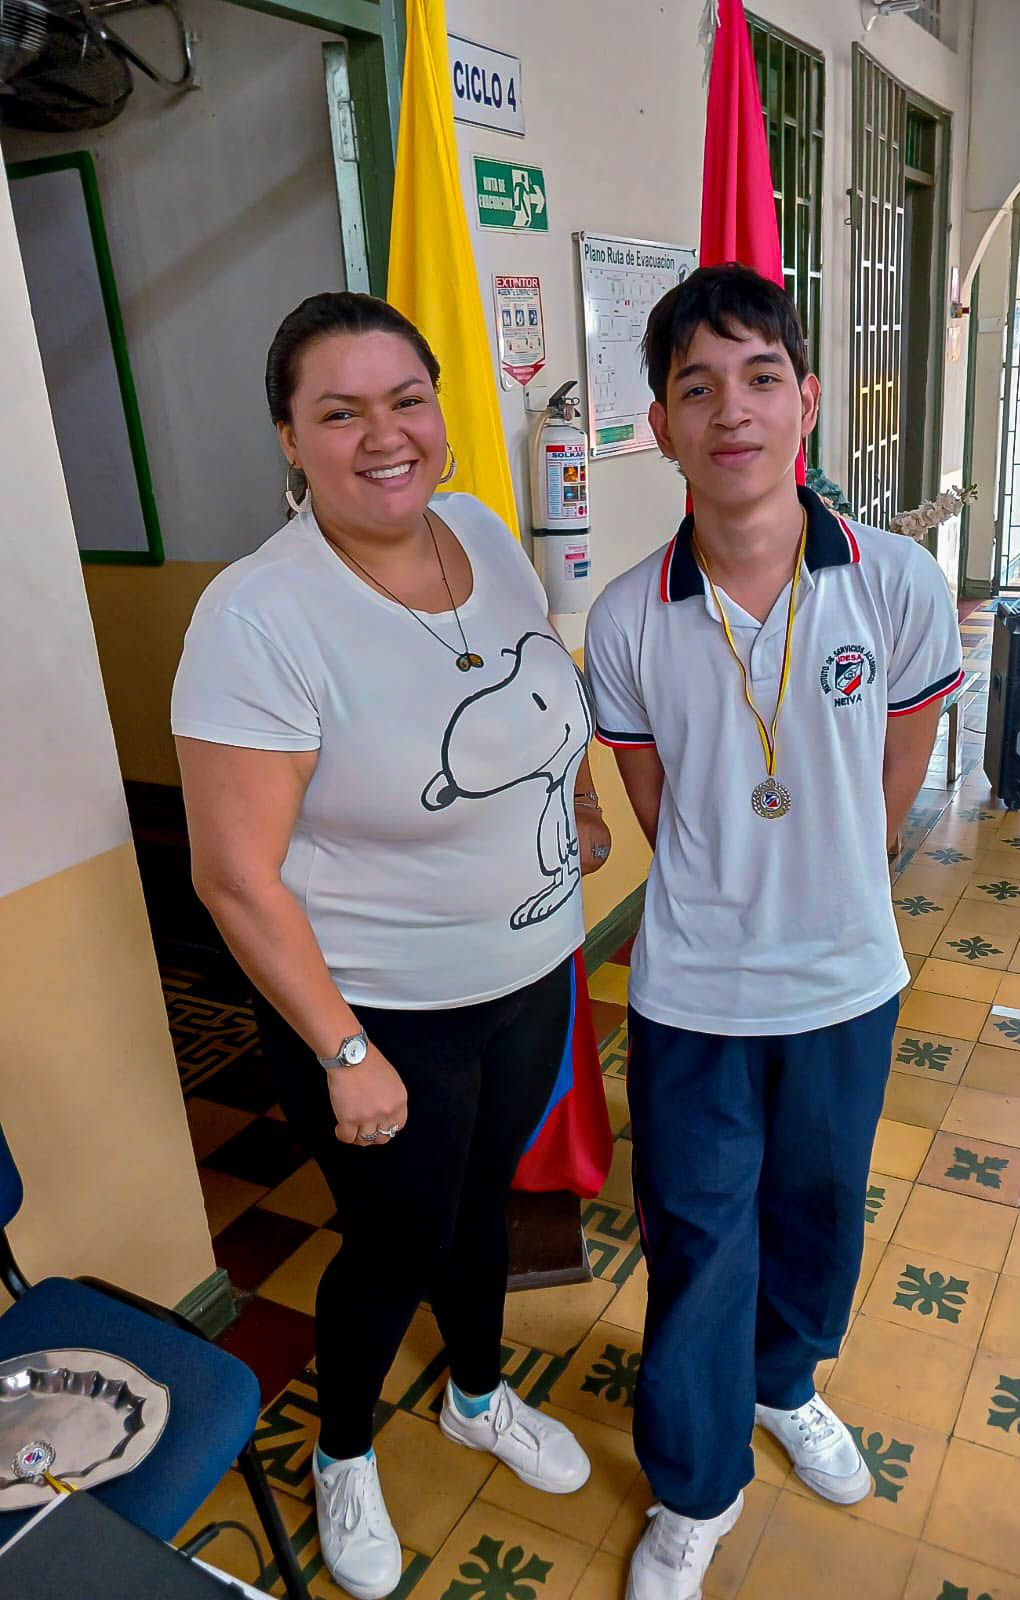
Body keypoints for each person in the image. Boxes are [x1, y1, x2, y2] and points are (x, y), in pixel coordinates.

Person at [172, 292, 611, 1600]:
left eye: (406, 399)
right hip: (377, 1013)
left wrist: (580, 799)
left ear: (438, 411)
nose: (384, 435)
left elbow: (543, 685)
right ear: (290, 439)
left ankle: (476, 1394)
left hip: (526, 976)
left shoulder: (482, 530)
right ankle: (345, 1448)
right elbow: (232, 876)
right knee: (394, 1242)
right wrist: (344, 1051)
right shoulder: (259, 615)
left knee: (484, 1206)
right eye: (340, 411)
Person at [584, 264, 963, 1600]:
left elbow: (903, 759)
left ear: (807, 398)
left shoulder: (896, 582)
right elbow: (654, 801)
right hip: (693, 991)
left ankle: (785, 1384)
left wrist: (835, 874)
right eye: (697, 388)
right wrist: (737, 880)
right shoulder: (627, 616)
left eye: (758, 378)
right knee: (697, 1241)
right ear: (662, 425)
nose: (730, 411)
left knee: (818, 1212)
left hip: (848, 980)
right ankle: (694, 1487)